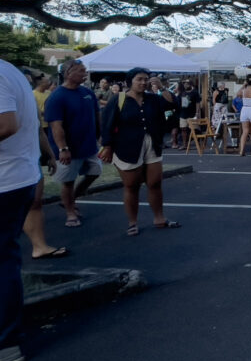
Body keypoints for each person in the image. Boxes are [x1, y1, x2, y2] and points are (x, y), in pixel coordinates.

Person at [0, 58, 47, 361]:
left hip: (6, 180)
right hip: (18, 177)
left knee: (2, 259)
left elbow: (6, 124)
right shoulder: (10, 70)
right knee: (5, 257)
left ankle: (5, 341)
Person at [98, 68, 180, 236]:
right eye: (139, 79)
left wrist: (162, 87)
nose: (144, 82)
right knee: (131, 186)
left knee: (155, 183)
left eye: (146, 79)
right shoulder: (118, 99)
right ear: (130, 81)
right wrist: (107, 146)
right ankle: (132, 222)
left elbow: (172, 104)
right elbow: (106, 124)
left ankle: (159, 218)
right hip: (127, 146)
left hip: (151, 143)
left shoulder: (152, 99)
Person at [44, 58, 102, 227]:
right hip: (69, 148)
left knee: (94, 172)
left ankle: (70, 200)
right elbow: (56, 126)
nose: (85, 74)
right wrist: (63, 148)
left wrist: (101, 135)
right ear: (68, 73)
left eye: (85, 70)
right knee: (68, 181)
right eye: (81, 71)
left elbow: (96, 115)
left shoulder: (87, 93)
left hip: (89, 145)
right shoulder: (57, 97)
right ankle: (70, 212)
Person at [18, 68, 62, 261]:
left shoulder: (29, 101)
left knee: (35, 202)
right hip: (10, 162)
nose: (26, 84)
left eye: (28, 81)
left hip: (29, 158)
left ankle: (40, 246)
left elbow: (39, 131)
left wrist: (51, 155)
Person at [176, 79, 200, 149]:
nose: (186, 85)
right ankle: (185, 144)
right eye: (185, 84)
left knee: (194, 129)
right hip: (183, 114)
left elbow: (197, 103)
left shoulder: (194, 92)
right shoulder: (182, 93)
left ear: (191, 84)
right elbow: (177, 101)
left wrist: (197, 112)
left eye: (187, 84)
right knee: (183, 129)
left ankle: (197, 142)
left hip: (192, 114)